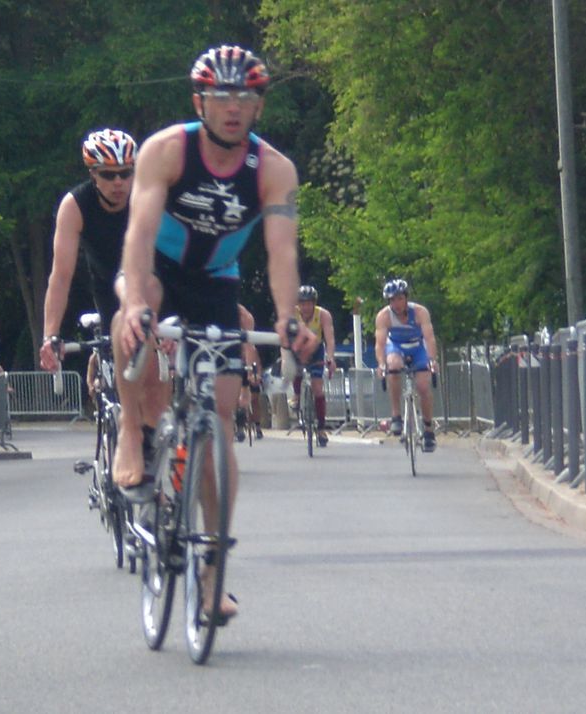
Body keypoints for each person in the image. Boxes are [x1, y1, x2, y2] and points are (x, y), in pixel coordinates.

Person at [113, 44, 318, 620]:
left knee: (221, 424)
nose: (233, 108)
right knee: (134, 314)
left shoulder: (273, 170)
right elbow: (139, 229)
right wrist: (133, 303)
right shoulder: (167, 150)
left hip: (216, 283)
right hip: (158, 268)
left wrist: (285, 316)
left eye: (246, 96)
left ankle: (211, 575)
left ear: (259, 105)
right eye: (221, 96)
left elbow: (281, 253)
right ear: (199, 100)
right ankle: (133, 430)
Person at [38, 128, 138, 375]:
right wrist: (50, 335)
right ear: (93, 174)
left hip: (147, 280)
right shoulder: (75, 206)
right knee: (122, 371)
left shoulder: (146, 195)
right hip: (107, 285)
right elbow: (61, 276)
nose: (118, 182)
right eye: (108, 174)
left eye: (126, 174)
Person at [374, 279, 439, 452]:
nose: (396, 303)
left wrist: (432, 360)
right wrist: (381, 364)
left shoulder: (419, 312)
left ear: (406, 298)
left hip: (417, 347)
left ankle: (428, 428)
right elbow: (380, 344)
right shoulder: (384, 316)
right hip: (396, 346)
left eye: (400, 298)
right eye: (392, 300)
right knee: (393, 365)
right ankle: (396, 416)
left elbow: (429, 338)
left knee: (423, 386)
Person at [291, 285, 336, 447]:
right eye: (302, 304)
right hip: (296, 348)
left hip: (316, 350)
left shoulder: (323, 315)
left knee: (318, 388)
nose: (306, 307)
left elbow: (329, 339)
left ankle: (321, 428)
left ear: (314, 303)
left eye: (309, 303)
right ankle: (296, 396)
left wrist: (330, 357)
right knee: (294, 370)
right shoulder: (292, 314)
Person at [234, 304, 264, 441]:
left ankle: (246, 422)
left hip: (242, 357)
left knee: (251, 394)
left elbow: (249, 348)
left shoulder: (245, 317)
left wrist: (252, 371)